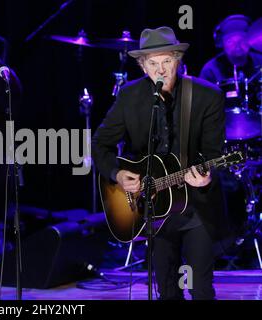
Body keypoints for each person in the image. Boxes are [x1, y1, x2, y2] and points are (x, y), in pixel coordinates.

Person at [92, 27, 227, 300]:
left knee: (199, 287)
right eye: (153, 63)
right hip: (153, 213)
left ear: (178, 61)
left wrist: (207, 174)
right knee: (167, 289)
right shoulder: (130, 96)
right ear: (143, 67)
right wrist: (117, 174)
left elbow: (213, 152)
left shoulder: (206, 96)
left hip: (195, 206)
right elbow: (99, 143)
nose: (161, 70)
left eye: (167, 61)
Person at [200, 15, 262, 84]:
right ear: (222, 43)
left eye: (242, 40)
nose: (237, 46)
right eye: (230, 42)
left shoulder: (260, 61)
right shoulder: (210, 70)